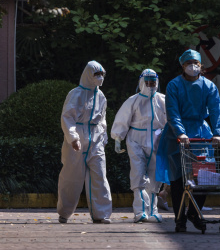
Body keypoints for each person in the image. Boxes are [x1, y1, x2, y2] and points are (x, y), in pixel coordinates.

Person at [156, 49, 220, 232]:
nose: (192, 66)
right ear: (182, 65)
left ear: (201, 65)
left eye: (196, 62)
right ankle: (180, 220)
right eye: (188, 63)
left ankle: (194, 213)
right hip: (177, 137)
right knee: (178, 181)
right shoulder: (174, 85)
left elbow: (216, 111)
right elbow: (172, 112)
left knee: (205, 178)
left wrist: (218, 133)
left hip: (201, 134)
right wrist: (180, 133)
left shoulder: (209, 87)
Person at [57, 60, 112, 224]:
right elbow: (67, 116)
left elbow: (102, 119)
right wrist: (73, 137)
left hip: (96, 138)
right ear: (88, 75)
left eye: (102, 74)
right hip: (79, 135)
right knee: (71, 176)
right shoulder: (76, 93)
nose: (100, 78)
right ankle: (64, 212)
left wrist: (103, 137)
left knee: (100, 175)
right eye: (97, 74)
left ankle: (101, 214)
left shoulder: (101, 96)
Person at [111, 69, 166, 223]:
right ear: (141, 82)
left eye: (152, 82)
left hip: (157, 140)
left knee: (155, 177)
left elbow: (170, 120)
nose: (150, 85)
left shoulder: (163, 100)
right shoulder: (133, 101)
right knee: (138, 173)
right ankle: (140, 211)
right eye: (147, 82)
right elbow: (122, 119)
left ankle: (153, 211)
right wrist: (117, 138)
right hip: (136, 140)